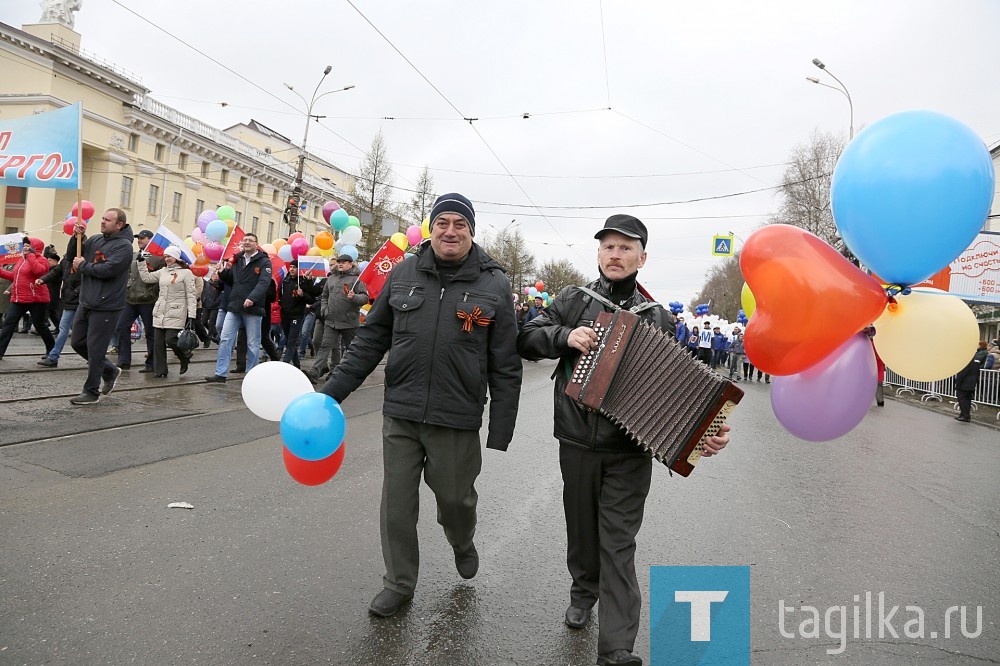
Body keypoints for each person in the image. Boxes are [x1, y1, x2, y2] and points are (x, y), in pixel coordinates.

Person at [517, 214, 730, 666]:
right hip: (575, 440)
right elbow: (526, 337)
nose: (616, 254)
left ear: (642, 258)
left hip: (630, 451)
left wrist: (706, 432)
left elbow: (679, 386)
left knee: (618, 541)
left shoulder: (657, 317)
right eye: (608, 247)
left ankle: (617, 647)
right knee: (582, 529)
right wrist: (563, 335)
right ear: (599, 254)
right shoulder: (574, 299)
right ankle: (583, 590)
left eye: (625, 247)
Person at [319, 193, 522, 618]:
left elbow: (505, 363)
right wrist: (331, 393)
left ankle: (461, 540)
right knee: (396, 504)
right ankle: (399, 584)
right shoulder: (405, 271)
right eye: (442, 223)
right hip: (402, 410)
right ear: (432, 228)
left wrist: (500, 429)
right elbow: (372, 338)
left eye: (459, 224)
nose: (451, 231)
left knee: (456, 501)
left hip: (456, 416)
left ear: (471, 230)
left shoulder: (494, 283)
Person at [68, 208, 134, 404]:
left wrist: (84, 266)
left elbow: (109, 269)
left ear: (119, 225)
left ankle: (91, 392)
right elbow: (72, 257)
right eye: (102, 219)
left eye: (107, 220)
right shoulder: (95, 240)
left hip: (107, 305)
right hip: (86, 301)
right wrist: (77, 238)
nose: (103, 222)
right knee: (77, 343)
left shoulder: (124, 247)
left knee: (96, 350)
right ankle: (110, 370)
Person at [204, 233, 272, 383]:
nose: (247, 242)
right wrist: (222, 272)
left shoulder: (264, 262)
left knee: (253, 343)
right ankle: (220, 373)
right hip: (234, 306)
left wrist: (252, 298)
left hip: (253, 308)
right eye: (245, 240)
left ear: (256, 244)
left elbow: (264, 283)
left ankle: (252, 375)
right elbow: (232, 280)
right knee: (225, 339)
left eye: (250, 240)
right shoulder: (238, 259)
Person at [308, 253, 368, 382]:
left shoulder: (357, 279)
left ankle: (355, 372)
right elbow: (324, 296)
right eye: (339, 261)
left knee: (352, 348)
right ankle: (315, 371)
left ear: (350, 264)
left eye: (344, 262)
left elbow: (365, 298)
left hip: (349, 322)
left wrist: (354, 297)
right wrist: (324, 309)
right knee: (325, 345)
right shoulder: (331, 278)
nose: (340, 264)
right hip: (331, 320)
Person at [138, 246, 197, 377]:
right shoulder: (163, 271)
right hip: (160, 311)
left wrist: (192, 315)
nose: (167, 259)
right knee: (158, 343)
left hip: (176, 311)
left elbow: (191, 295)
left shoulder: (186, 273)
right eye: (165, 256)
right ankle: (161, 371)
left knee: (171, 339)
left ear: (176, 257)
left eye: (169, 256)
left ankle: (184, 357)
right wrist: (141, 262)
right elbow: (146, 278)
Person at [115, 229, 164, 372]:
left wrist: (155, 294)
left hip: (148, 300)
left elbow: (161, 280)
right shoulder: (134, 256)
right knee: (121, 327)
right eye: (139, 238)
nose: (140, 240)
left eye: (143, 238)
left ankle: (151, 363)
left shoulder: (158, 258)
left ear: (151, 240)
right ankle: (124, 360)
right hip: (130, 299)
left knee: (151, 332)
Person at [0, 237, 56, 360]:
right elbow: (14, 277)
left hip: (36, 299)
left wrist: (31, 255)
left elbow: (38, 271)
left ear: (35, 248)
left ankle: (52, 350)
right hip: (19, 299)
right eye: (24, 245)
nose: (25, 248)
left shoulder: (43, 260)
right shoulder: (21, 260)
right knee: (8, 324)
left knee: (40, 325)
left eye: (28, 245)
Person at [37, 236, 83, 367]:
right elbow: (56, 272)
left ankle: (94, 356)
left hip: (82, 300)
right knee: (65, 328)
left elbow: (88, 278)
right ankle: (53, 356)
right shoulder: (66, 261)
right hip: (70, 300)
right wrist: (43, 279)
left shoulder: (84, 260)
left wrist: (77, 292)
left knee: (83, 331)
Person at [277, 262, 319, 368]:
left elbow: (312, 299)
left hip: (297, 316)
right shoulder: (285, 280)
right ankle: (297, 364)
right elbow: (282, 296)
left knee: (291, 342)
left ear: (298, 269)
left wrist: (302, 295)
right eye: (290, 267)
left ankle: (284, 365)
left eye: (294, 267)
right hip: (285, 315)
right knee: (288, 341)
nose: (291, 269)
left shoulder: (303, 282)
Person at [954, 341, 989, 422]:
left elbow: (963, 372)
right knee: (967, 399)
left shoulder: (966, 359)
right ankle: (963, 414)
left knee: (962, 399)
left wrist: (958, 382)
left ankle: (965, 415)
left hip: (965, 382)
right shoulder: (976, 358)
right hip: (972, 381)